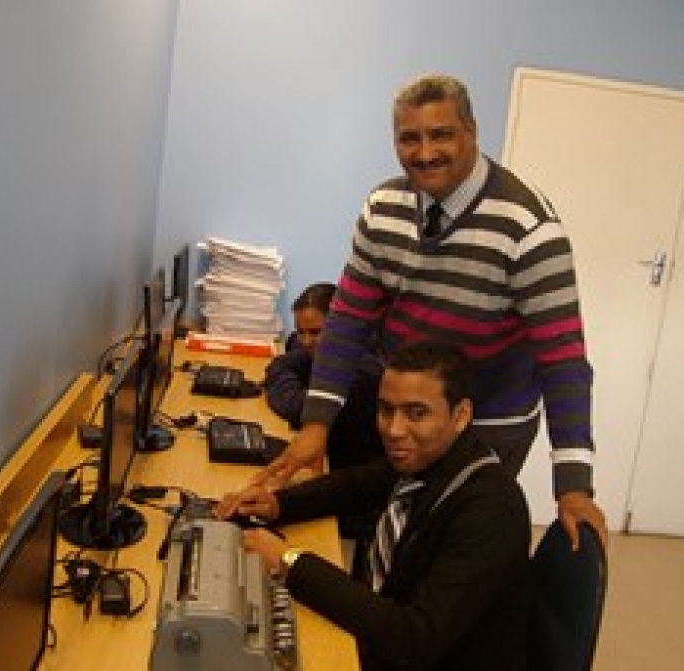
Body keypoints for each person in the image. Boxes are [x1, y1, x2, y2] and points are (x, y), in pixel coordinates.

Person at [252, 72, 606, 547]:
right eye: (409, 138)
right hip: (409, 407)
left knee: (449, 547)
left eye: (441, 134)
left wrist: (574, 486)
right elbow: (347, 324)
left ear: (472, 131)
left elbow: (563, 363)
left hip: (488, 424)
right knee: (395, 534)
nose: (425, 152)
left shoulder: (529, 228)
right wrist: (316, 427)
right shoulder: (383, 209)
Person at [218, 340, 531, 671]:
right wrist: (277, 504)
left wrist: (290, 561)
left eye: (416, 413)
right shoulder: (431, 458)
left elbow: (412, 639)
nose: (394, 430)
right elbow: (357, 484)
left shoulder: (491, 511)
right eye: (385, 409)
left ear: (461, 415)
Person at [265, 282, 385, 471]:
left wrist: (282, 384)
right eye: (300, 332)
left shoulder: (367, 373)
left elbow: (300, 408)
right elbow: (280, 364)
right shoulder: (312, 349)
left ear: (341, 331)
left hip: (352, 479)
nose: (306, 341)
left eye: (315, 332)